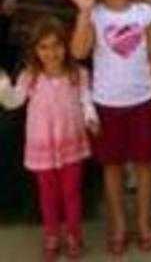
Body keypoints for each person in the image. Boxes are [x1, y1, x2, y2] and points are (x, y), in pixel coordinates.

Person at [69, 0, 151, 255]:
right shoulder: (94, 14)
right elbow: (79, 52)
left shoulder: (143, 12)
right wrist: (84, 13)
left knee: (144, 166)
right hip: (107, 102)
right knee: (111, 168)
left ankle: (144, 222)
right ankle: (119, 226)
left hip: (143, 99)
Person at [0, 18, 98, 260]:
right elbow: (13, 100)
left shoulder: (78, 74)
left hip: (71, 143)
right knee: (48, 195)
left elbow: (86, 100)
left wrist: (91, 118)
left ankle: (74, 235)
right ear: (34, 50)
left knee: (72, 192)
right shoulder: (30, 76)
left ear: (66, 46)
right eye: (43, 47)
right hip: (42, 147)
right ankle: (52, 235)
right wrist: (2, 85)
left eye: (56, 45)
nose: (51, 53)